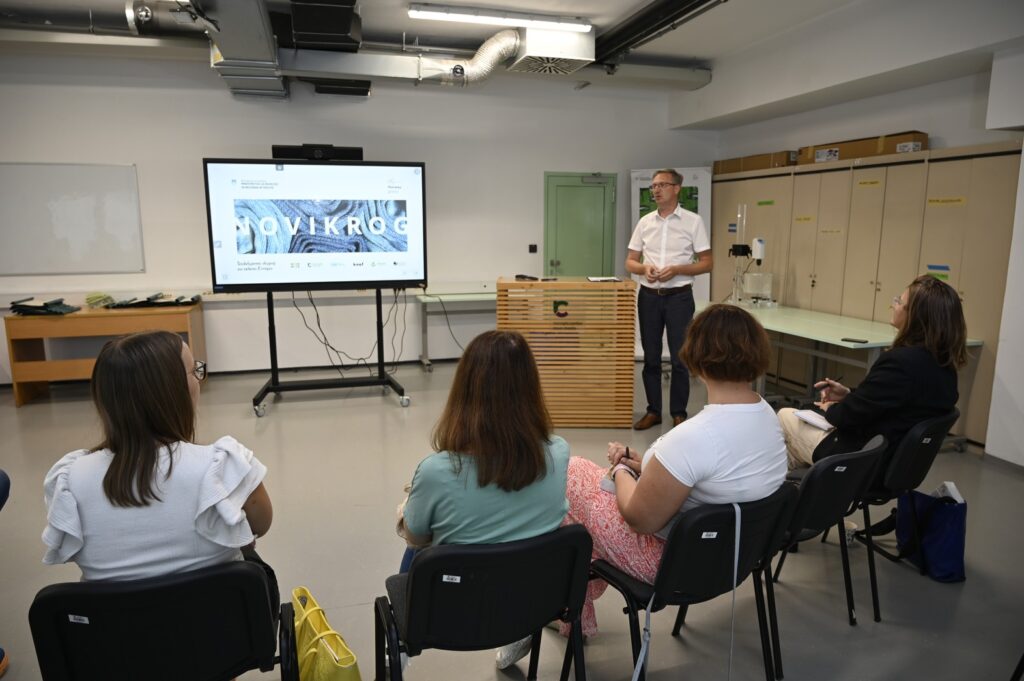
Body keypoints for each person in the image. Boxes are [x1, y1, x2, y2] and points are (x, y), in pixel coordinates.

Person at [564, 304, 787, 636]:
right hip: (739, 556)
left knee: (573, 477)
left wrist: (623, 472)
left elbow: (640, 518)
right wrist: (649, 468)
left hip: (677, 567)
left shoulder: (694, 437)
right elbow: (716, 476)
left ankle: (568, 615)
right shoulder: (768, 414)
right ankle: (572, 615)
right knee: (583, 521)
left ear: (696, 358)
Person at [41, 331, 275, 607]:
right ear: (174, 390)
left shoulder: (71, 478)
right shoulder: (224, 468)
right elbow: (260, 524)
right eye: (194, 371)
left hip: (113, 640)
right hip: (219, 634)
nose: (199, 380)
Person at [396, 330, 570, 670]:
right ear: (530, 388)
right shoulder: (559, 453)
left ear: (465, 389)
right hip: (534, 600)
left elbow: (417, 538)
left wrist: (407, 512)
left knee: (414, 549)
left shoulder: (435, 471)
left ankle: (401, 649)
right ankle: (516, 632)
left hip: (451, 610)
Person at [778, 275, 967, 469]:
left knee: (786, 416)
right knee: (791, 453)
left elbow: (847, 417)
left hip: (864, 458)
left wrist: (830, 408)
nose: (894, 305)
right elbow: (889, 403)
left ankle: (776, 490)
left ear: (915, 315)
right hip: (897, 464)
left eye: (899, 301)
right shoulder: (945, 368)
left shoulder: (900, 363)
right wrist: (848, 395)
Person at [627, 169, 713, 430]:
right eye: (653, 186)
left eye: (662, 185)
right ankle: (653, 411)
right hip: (649, 297)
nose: (655, 190)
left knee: (680, 358)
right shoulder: (645, 222)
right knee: (651, 357)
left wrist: (677, 269)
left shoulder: (693, 221)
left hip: (679, 297)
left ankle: (679, 413)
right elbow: (630, 260)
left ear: (677, 188)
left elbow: (707, 263)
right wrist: (643, 269)